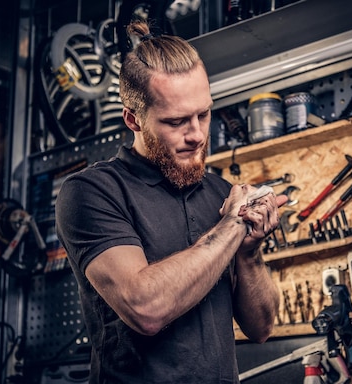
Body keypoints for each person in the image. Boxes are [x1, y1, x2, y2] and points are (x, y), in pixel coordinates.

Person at [55, 18, 287, 384]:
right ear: (133, 119)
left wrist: (248, 253)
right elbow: (145, 308)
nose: (196, 135)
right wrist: (231, 227)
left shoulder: (220, 194)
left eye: (204, 114)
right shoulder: (92, 192)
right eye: (177, 121)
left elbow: (262, 328)